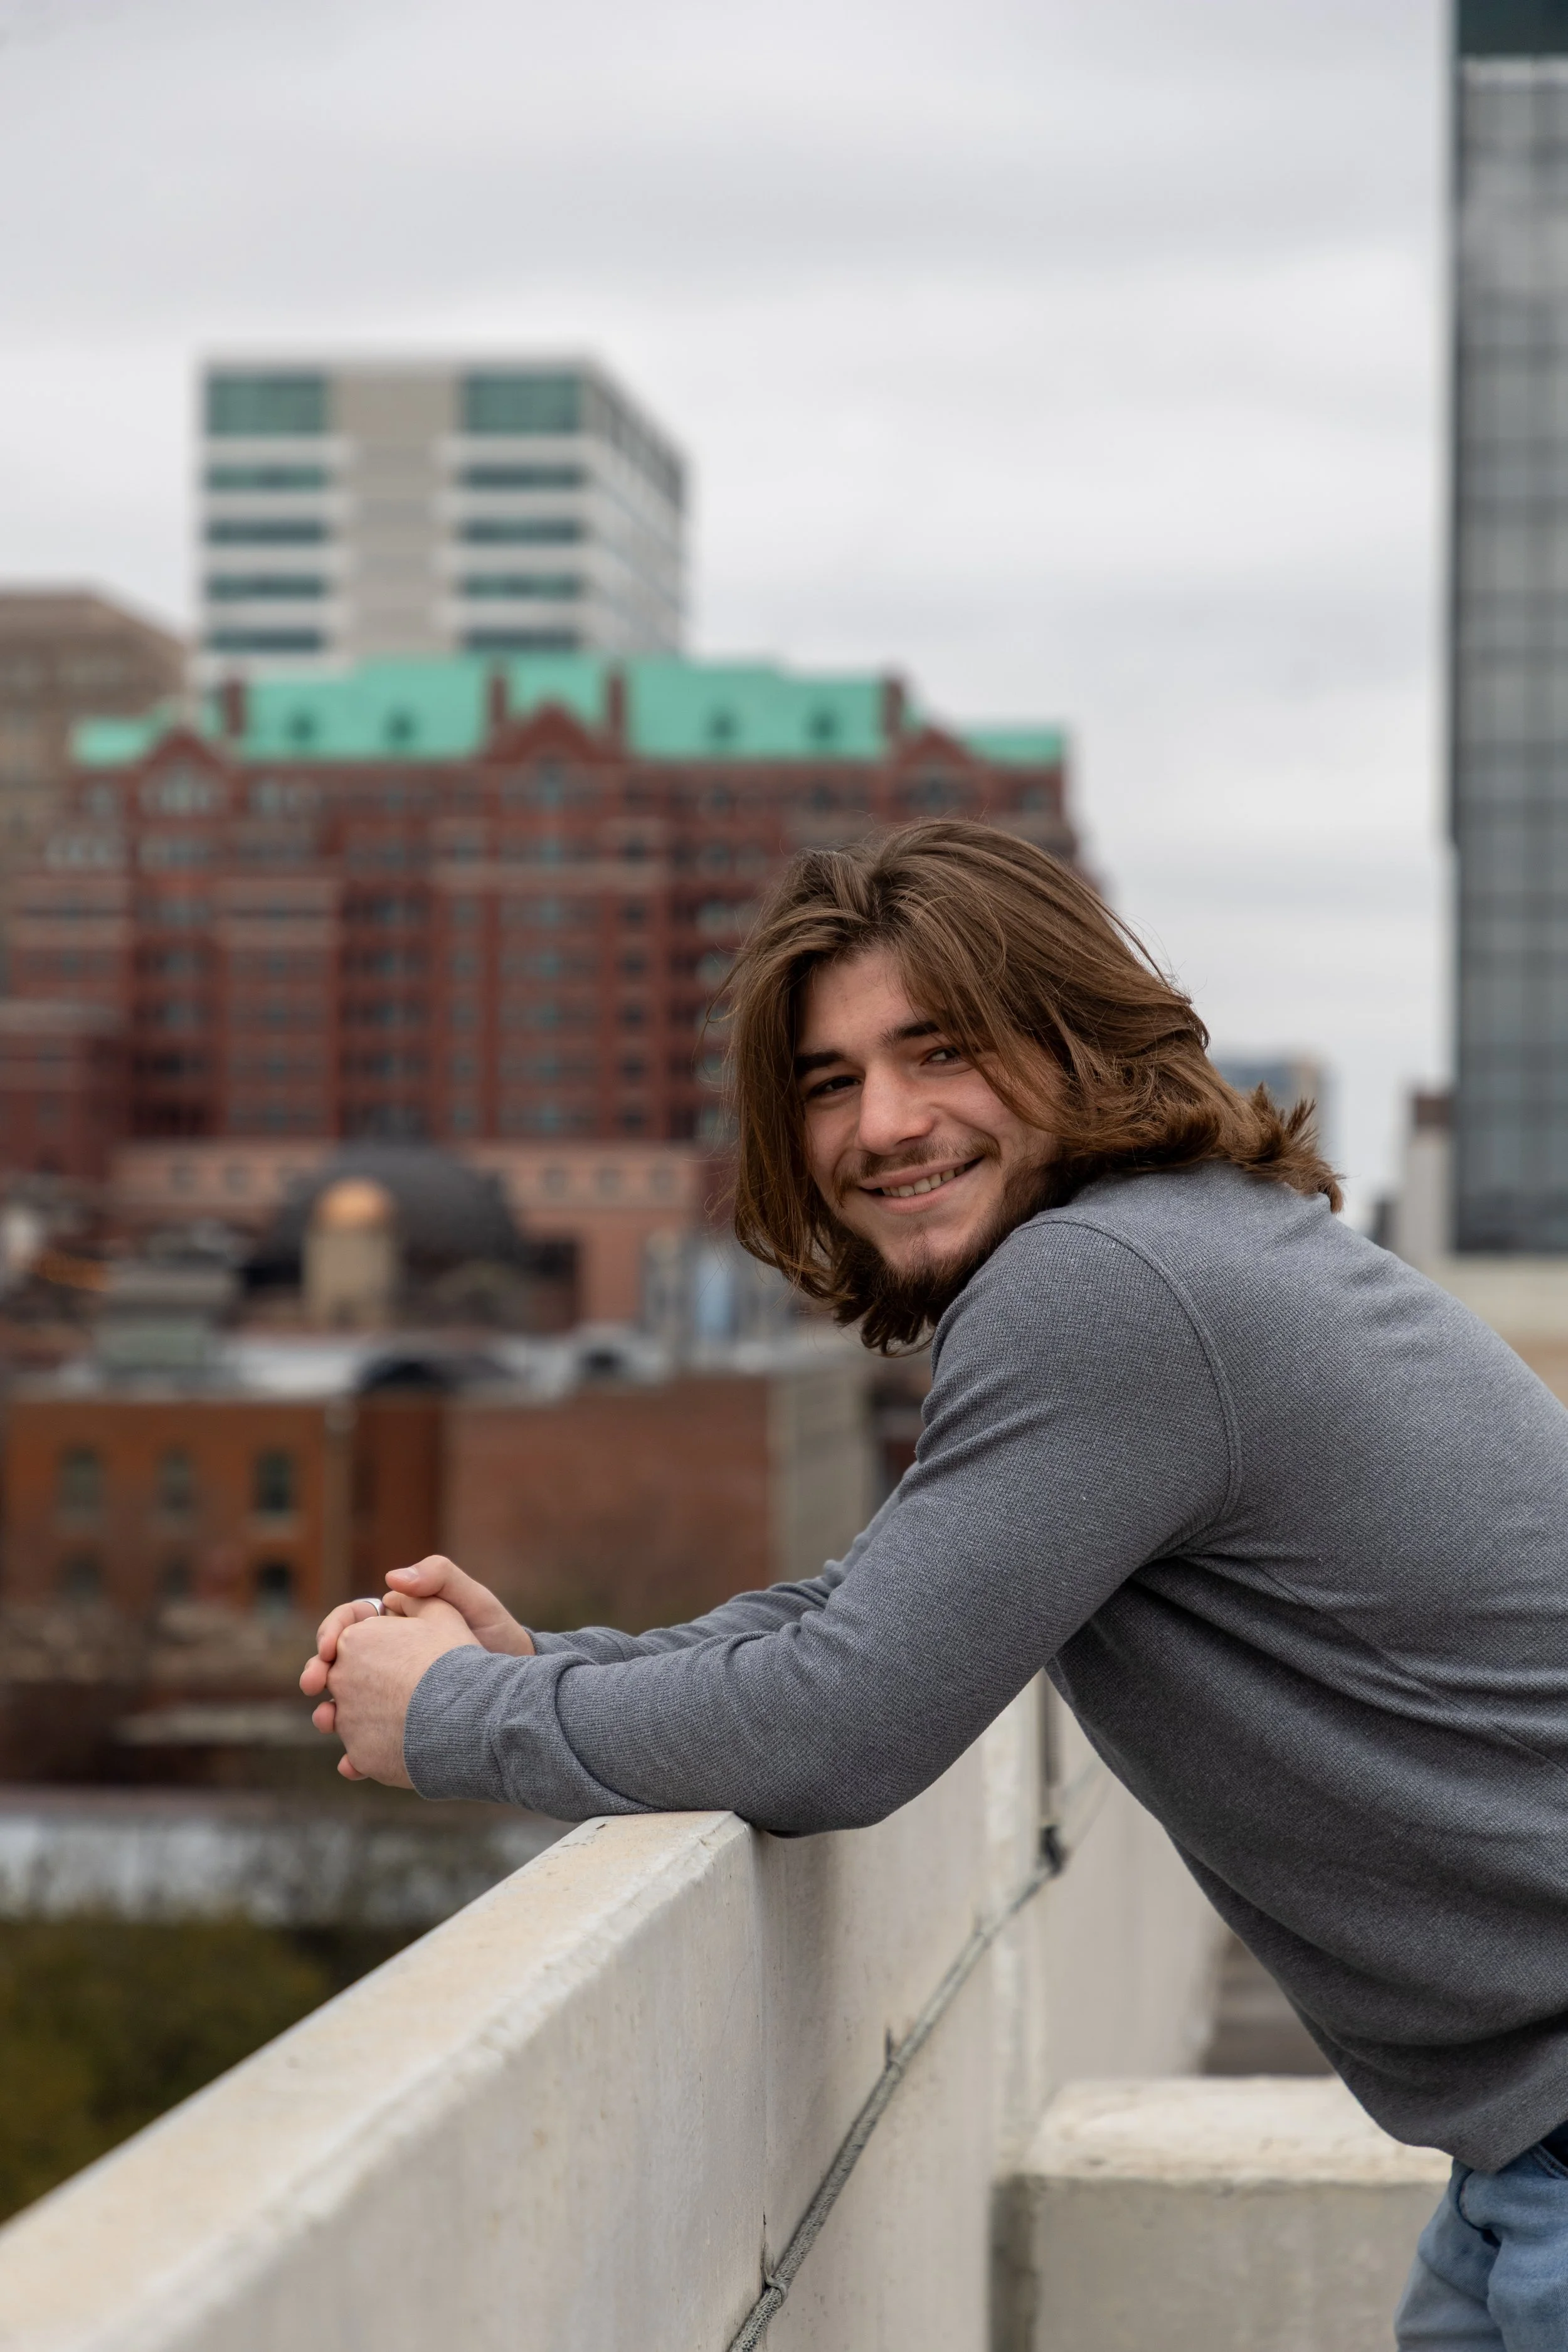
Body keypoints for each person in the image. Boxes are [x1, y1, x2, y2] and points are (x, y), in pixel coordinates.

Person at [301, 819, 1568, 2350]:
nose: (880, 1123)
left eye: (937, 1053)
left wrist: (453, 1718)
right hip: (1517, 2157)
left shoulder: (1100, 1289)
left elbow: (844, 1724)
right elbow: (857, 1610)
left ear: (1069, 1039)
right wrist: (528, 1664)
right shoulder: (1179, 1250)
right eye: (828, 1082)